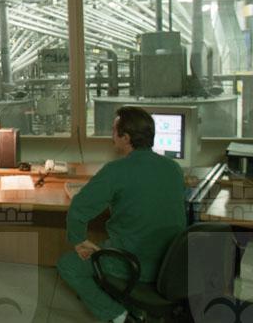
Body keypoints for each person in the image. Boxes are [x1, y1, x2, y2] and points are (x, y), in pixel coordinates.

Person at [57, 106, 186, 323]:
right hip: (170, 265)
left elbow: (78, 208)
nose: (111, 136)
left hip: (133, 264)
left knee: (68, 265)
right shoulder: (173, 168)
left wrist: (79, 241)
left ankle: (118, 316)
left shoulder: (115, 171)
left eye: (114, 131)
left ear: (125, 138)